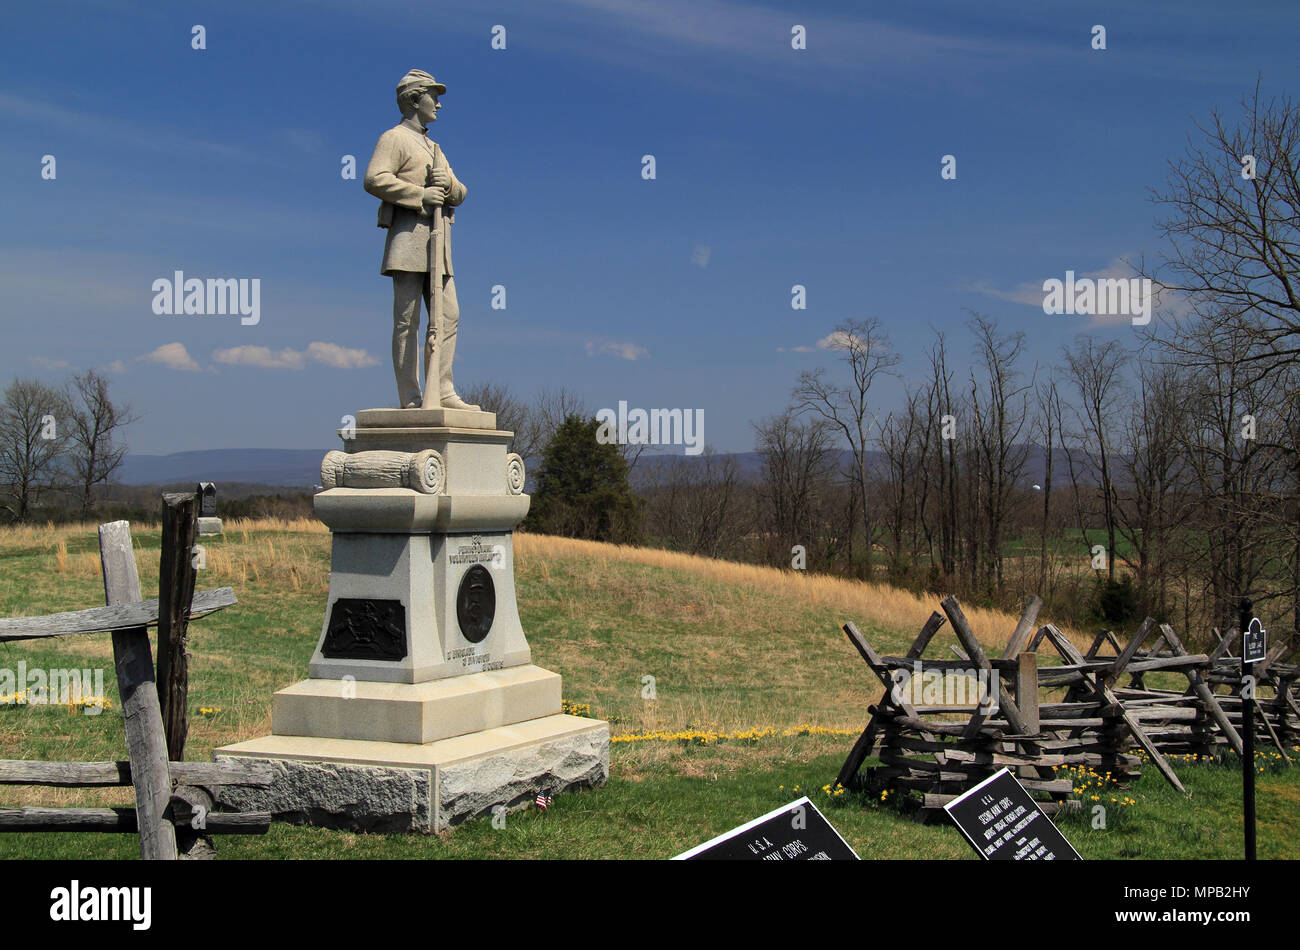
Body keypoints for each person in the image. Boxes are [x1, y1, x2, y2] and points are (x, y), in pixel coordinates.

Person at [364, 69, 478, 410]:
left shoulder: (434, 147)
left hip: (438, 247)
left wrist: (448, 187)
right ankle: (411, 397)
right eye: (434, 97)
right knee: (407, 321)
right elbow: (374, 178)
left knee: (450, 315)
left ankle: (442, 390)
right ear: (416, 99)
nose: (439, 105)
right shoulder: (394, 138)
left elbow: (460, 191)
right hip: (408, 242)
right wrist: (420, 195)